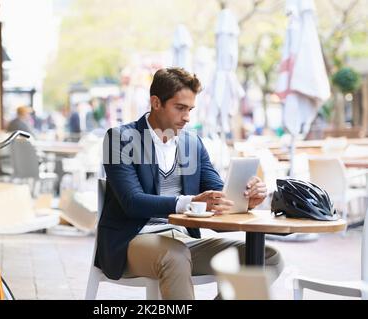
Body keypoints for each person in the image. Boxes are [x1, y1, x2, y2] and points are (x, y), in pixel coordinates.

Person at [96, 67, 284, 300]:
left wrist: (247, 199)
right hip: (132, 241)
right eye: (180, 108)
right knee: (174, 255)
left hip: (185, 241)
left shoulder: (192, 144)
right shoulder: (120, 139)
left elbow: (217, 195)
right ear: (156, 102)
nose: (187, 117)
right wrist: (189, 202)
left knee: (266, 257)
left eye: (190, 109)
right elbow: (132, 202)